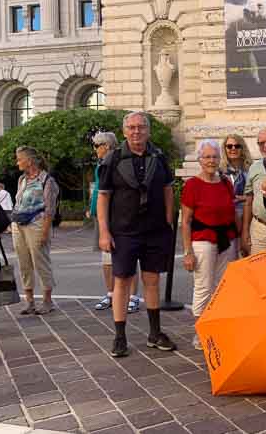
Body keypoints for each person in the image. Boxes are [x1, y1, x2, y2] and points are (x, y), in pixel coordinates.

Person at [98, 111, 177, 358]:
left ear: (148, 131)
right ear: (124, 131)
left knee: (152, 280)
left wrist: (167, 220)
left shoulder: (159, 157)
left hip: (154, 231)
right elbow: (103, 196)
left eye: (141, 127)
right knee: (122, 281)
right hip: (124, 231)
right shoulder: (113, 159)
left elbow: (167, 190)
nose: (136, 132)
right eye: (131, 128)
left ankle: (155, 333)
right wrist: (104, 231)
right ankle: (120, 337)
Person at [181, 140, 238, 350]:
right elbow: (186, 221)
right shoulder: (192, 185)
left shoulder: (225, 183)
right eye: (207, 157)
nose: (211, 161)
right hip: (203, 241)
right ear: (199, 160)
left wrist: (240, 240)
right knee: (203, 287)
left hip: (227, 240)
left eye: (214, 157)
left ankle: (218, 329)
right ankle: (200, 332)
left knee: (222, 287)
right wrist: (187, 252)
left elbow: (232, 212)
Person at [89, 132, 140, 314]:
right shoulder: (101, 164)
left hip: (116, 217)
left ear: (107, 146)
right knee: (106, 259)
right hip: (101, 216)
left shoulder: (116, 162)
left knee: (126, 256)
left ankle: (132, 296)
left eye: (97, 145)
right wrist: (92, 208)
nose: (95, 149)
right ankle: (111, 293)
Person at [12, 146, 59, 316]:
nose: (17, 162)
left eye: (19, 159)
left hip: (37, 224)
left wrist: (45, 232)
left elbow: (50, 210)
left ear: (29, 161)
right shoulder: (21, 180)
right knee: (23, 263)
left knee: (40, 262)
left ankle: (47, 300)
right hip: (19, 224)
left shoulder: (47, 181)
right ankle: (29, 300)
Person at [220, 134, 252, 244]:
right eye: (229, 146)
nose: (233, 149)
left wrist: (243, 198)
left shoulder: (251, 169)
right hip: (227, 220)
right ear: (225, 149)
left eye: (237, 146)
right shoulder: (219, 172)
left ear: (242, 148)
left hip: (249, 218)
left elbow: (257, 193)